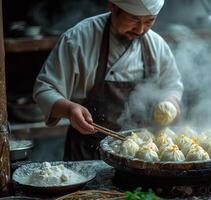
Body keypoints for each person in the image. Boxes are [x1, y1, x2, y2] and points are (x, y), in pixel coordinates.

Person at [33, 0, 184, 161]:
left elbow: (172, 85)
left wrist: (170, 103)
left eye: (149, 21)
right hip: (89, 153)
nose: (140, 30)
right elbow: (44, 90)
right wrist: (70, 109)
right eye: (133, 19)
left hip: (143, 156)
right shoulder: (78, 39)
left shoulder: (156, 44)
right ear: (112, 7)